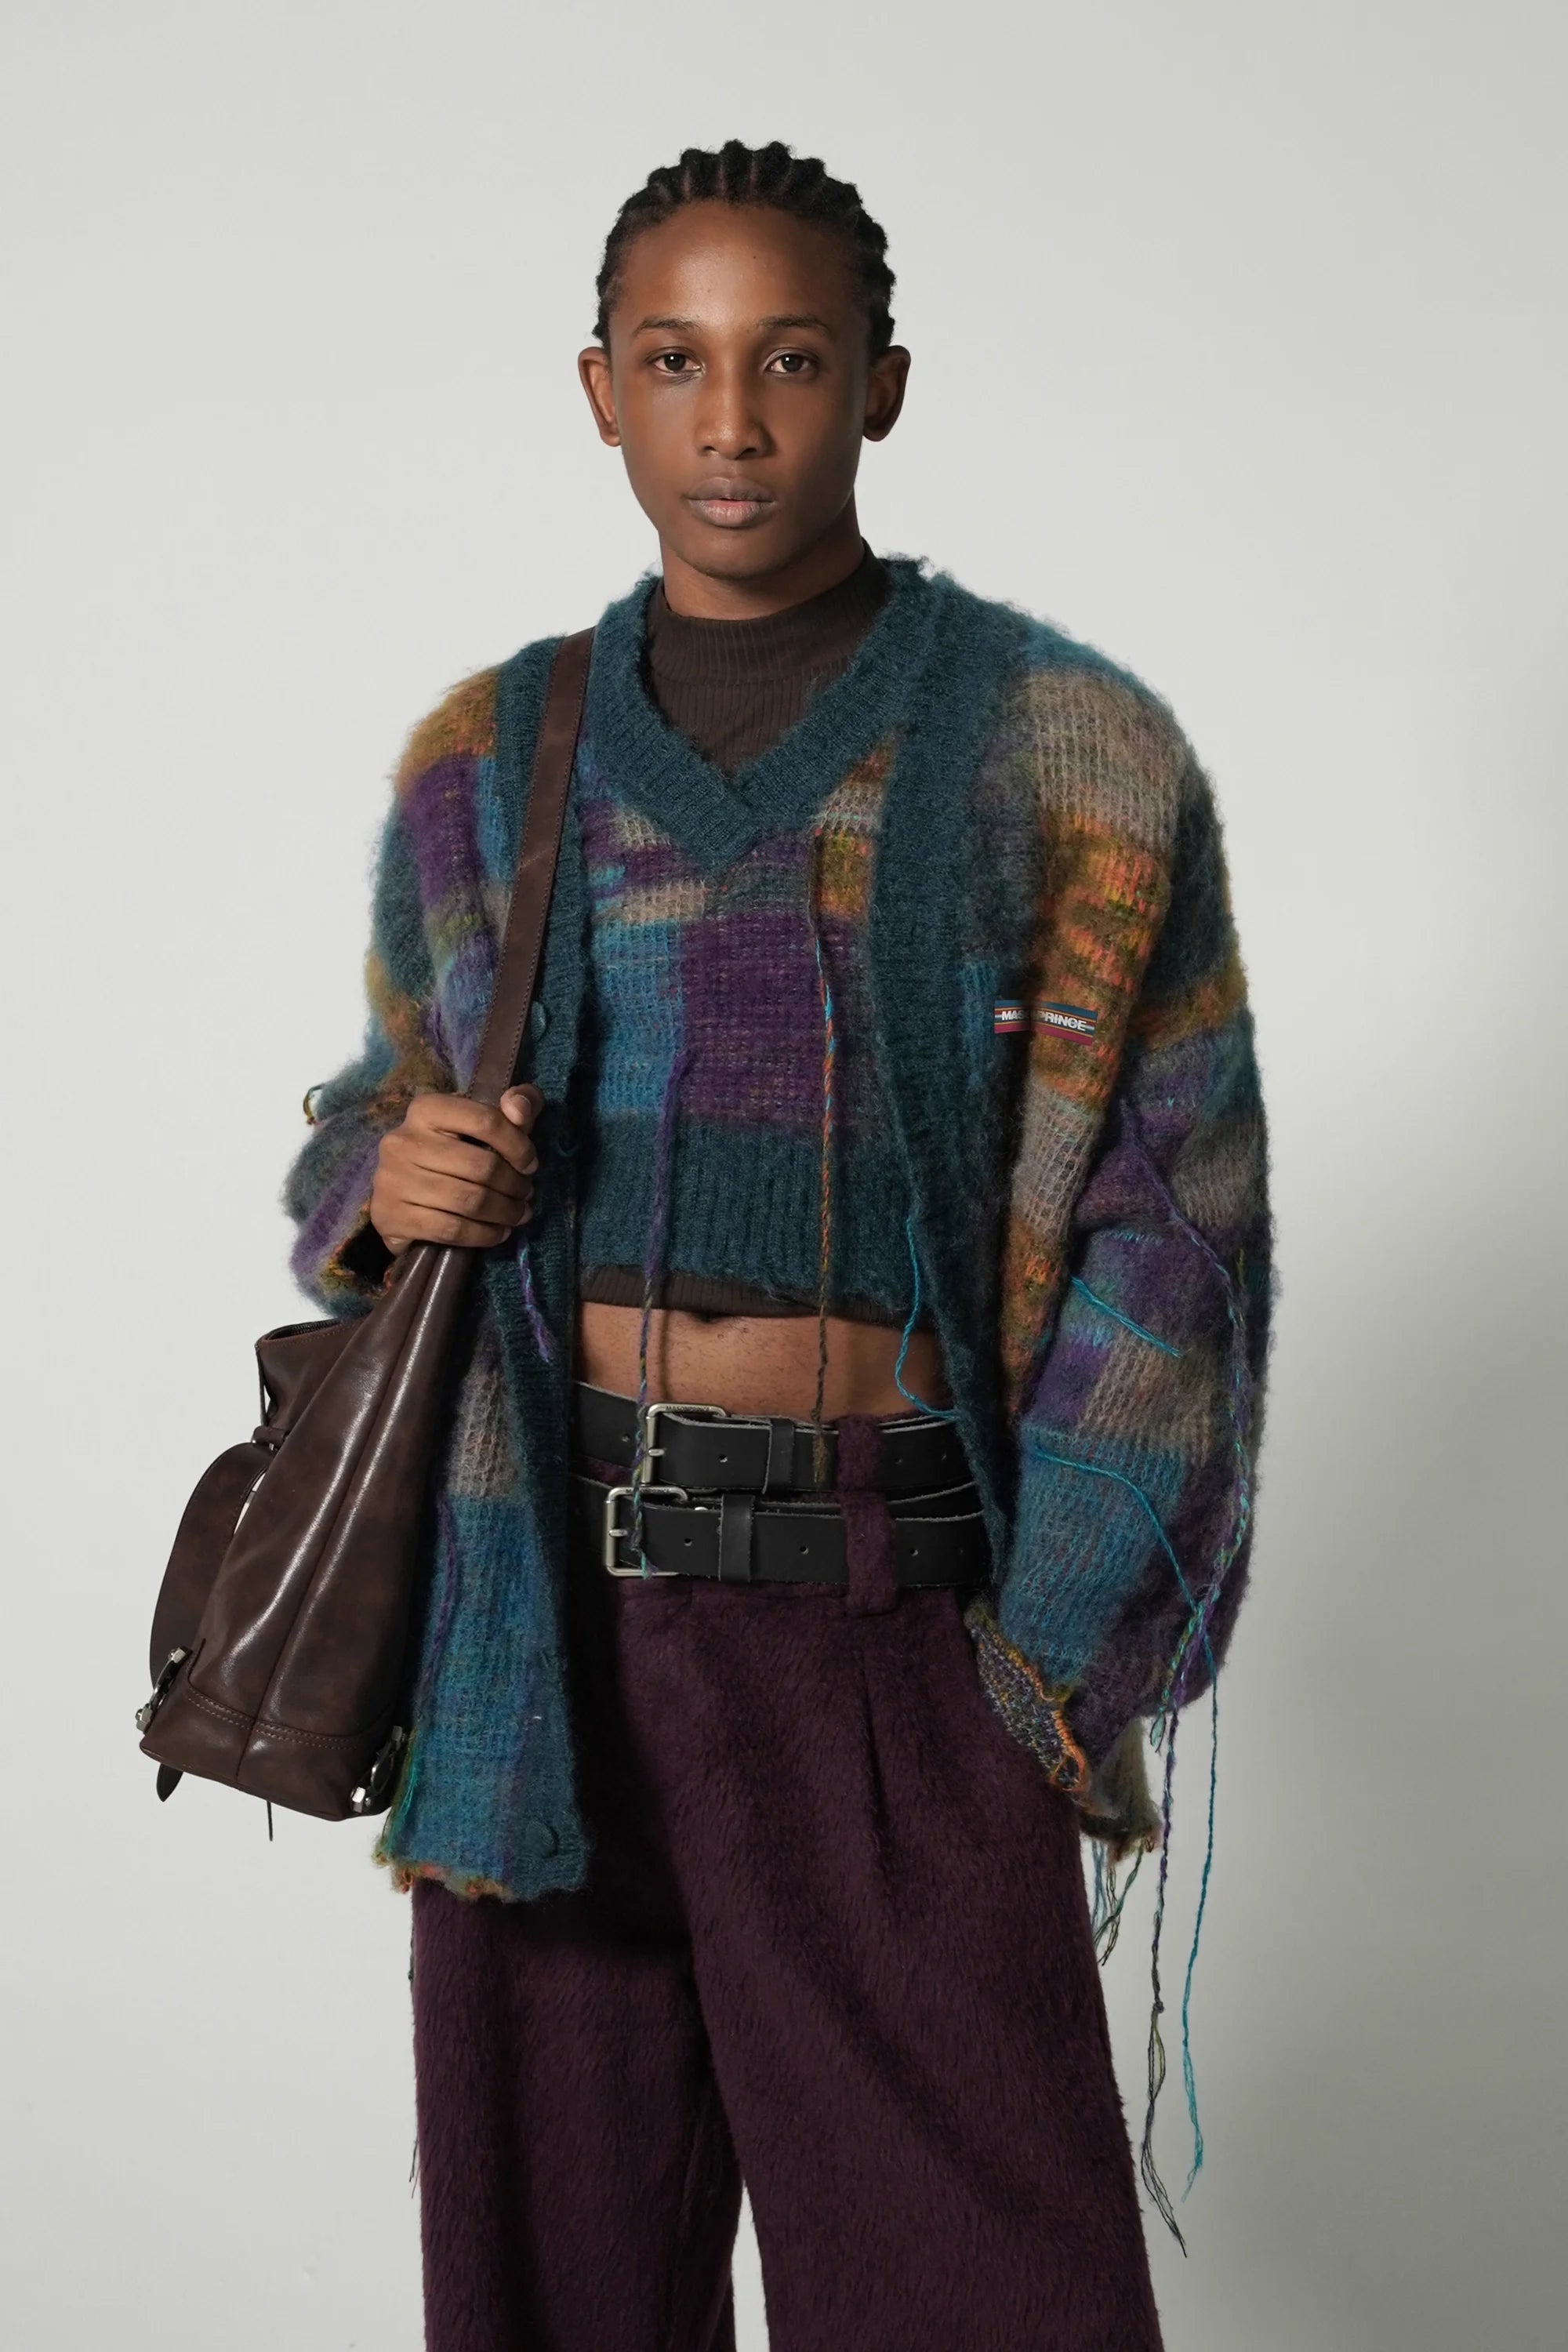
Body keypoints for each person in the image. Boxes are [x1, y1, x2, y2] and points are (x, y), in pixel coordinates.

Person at [285, 138, 1272, 2352]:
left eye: (792, 360)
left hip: (897, 1630)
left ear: (882, 385)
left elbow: (1174, 1230)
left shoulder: (1070, 752)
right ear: (599, 390)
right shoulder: (489, 757)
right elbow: (373, 1110)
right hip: (543, 1632)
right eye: (675, 361)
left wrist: (1042, 1670)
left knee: (976, 2296)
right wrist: (381, 1181)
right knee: (560, 2292)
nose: (731, 420)